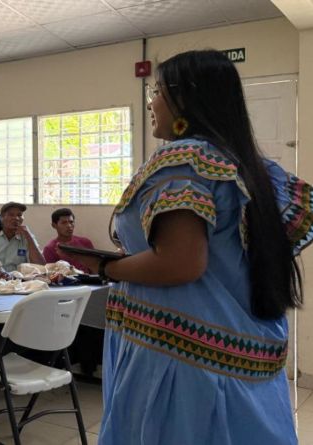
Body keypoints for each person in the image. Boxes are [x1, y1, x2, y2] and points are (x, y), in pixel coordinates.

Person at [62, 50, 305, 445]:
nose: (150, 101)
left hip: (182, 364)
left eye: (157, 90)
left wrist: (108, 268)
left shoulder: (184, 159)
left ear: (184, 99)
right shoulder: (247, 166)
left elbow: (180, 263)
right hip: (239, 354)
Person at [0, 201, 45, 272]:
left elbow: (40, 266)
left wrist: (28, 237)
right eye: (11, 215)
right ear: (1, 217)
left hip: (18, 280)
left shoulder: (27, 237)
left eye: (19, 215)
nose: (16, 218)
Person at [42, 208, 95, 273]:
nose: (69, 226)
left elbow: (95, 268)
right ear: (54, 225)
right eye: (64, 223)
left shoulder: (85, 243)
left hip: (90, 281)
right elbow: (52, 276)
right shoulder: (50, 249)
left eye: (71, 222)